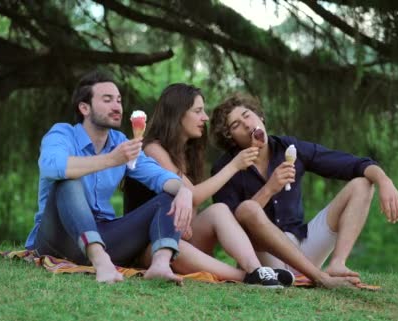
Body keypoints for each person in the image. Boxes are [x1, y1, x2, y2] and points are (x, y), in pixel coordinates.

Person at [209, 93, 398, 288]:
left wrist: (384, 180)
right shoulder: (225, 168)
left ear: (260, 117)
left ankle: (337, 264)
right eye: (235, 125)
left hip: (303, 247)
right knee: (247, 209)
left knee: (362, 183)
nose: (246, 123)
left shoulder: (290, 148)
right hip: (265, 258)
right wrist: (269, 189)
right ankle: (320, 278)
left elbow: (352, 164)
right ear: (231, 140)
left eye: (247, 114)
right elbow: (232, 229)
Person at [24, 70, 194, 284]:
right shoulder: (62, 134)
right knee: (67, 180)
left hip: (105, 234)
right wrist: (111, 160)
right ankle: (101, 262)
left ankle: (160, 265)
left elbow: (158, 176)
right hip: (57, 238)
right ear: (84, 108)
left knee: (170, 196)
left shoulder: (120, 142)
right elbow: (52, 166)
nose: (117, 107)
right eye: (107, 100)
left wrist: (184, 191)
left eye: (119, 100)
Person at [123, 83, 293, 288]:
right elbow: (191, 194)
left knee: (219, 210)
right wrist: (234, 166)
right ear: (177, 114)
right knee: (175, 246)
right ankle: (246, 277)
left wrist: (187, 221)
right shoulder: (153, 149)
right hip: (149, 244)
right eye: (198, 111)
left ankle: (257, 269)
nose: (205, 117)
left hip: (178, 235)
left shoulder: (188, 153)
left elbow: (190, 206)